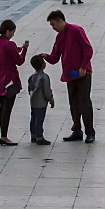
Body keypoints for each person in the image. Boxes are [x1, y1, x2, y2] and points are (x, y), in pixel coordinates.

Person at [41, 10, 95, 143]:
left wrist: (83, 67)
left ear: (60, 21)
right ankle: (77, 130)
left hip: (82, 72)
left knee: (84, 102)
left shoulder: (76, 31)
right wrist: (45, 57)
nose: (53, 27)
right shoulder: (59, 37)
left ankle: (90, 132)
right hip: (70, 74)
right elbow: (55, 58)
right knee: (74, 103)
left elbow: (88, 50)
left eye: (53, 24)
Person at [0, 19, 28, 145]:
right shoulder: (9, 44)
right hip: (9, 78)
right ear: (8, 31)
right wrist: (24, 50)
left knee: (2, 106)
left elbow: (9, 52)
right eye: (12, 32)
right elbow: (19, 61)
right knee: (8, 107)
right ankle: (4, 136)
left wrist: (19, 48)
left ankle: (3, 134)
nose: (13, 34)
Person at [28, 54, 55, 145]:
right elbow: (47, 90)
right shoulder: (44, 77)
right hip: (41, 102)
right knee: (39, 119)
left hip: (33, 101)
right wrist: (51, 99)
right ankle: (39, 137)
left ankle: (33, 135)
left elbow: (30, 88)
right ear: (43, 65)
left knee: (33, 118)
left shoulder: (32, 76)